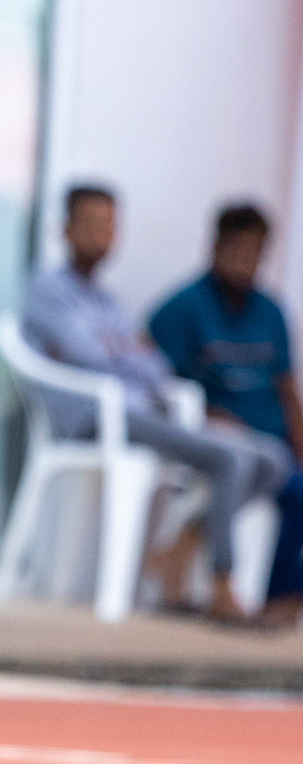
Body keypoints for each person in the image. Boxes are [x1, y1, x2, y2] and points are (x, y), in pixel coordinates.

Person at [22, 186, 291, 623]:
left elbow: (154, 366)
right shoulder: (48, 290)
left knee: (273, 459)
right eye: (89, 224)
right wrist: (123, 353)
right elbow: (89, 355)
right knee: (229, 457)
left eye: (108, 225)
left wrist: (119, 352)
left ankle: (181, 548)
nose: (100, 235)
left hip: (143, 413)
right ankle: (224, 585)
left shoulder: (106, 300)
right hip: (96, 418)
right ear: (65, 229)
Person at [149, 204, 303, 629]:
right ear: (214, 246)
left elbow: (288, 389)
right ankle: (223, 585)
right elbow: (149, 370)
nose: (245, 261)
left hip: (271, 443)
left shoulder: (271, 312)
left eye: (255, 252)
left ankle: (281, 600)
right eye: (237, 249)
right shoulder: (184, 307)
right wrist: (204, 413)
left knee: (295, 484)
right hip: (218, 436)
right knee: (238, 459)